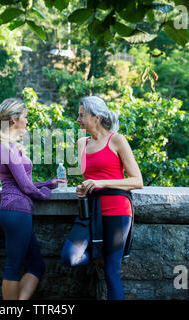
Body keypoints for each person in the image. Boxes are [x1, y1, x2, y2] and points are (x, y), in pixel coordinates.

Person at [61, 95, 143, 300]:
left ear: (96, 117)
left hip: (117, 210)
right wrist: (83, 189)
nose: (77, 119)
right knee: (70, 257)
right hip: (91, 211)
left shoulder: (117, 140)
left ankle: (104, 254)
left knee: (111, 272)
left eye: (82, 115)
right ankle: (99, 253)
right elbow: (88, 178)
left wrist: (101, 183)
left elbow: (137, 180)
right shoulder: (81, 143)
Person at [0, 98, 65, 300]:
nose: (27, 122)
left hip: (15, 209)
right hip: (16, 211)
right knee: (14, 266)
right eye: (25, 117)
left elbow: (22, 183)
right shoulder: (6, 148)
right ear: (13, 119)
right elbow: (26, 187)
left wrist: (49, 183)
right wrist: (45, 193)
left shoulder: (7, 146)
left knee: (37, 265)